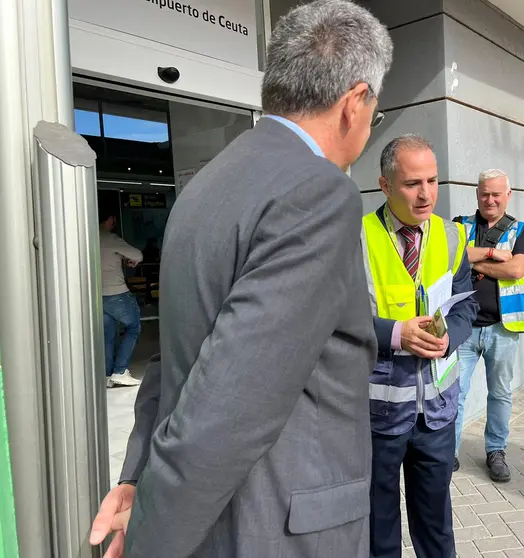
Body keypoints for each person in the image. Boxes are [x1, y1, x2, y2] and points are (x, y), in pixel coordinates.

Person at [90, 2, 393, 557]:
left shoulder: (205, 188)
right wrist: (150, 542)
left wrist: (140, 477)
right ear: (354, 103)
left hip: (217, 520)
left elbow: (174, 356)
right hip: (278, 528)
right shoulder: (319, 193)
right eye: (376, 108)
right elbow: (231, 402)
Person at [363, 134, 478, 558]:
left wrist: (452, 338)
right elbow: (335, 317)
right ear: (385, 185)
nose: (426, 193)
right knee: (379, 530)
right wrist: (394, 334)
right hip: (379, 414)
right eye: (413, 183)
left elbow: (466, 307)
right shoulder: (355, 238)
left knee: (436, 528)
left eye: (432, 180)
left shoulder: (452, 237)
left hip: (437, 413)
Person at [452, 169, 524, 480]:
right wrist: (489, 254)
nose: (490, 199)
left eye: (496, 194)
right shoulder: (460, 225)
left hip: (503, 327)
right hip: (463, 326)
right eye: (485, 193)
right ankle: (448, 452)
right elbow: (451, 256)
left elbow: (515, 269)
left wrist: (471, 262)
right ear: (477, 194)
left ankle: (496, 451)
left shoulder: (522, 230)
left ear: (507, 196)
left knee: (499, 393)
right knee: (455, 393)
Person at [99, 211, 143, 388]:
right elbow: (138, 255)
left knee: (108, 335)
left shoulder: (88, 237)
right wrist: (129, 258)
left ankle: (108, 375)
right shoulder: (111, 238)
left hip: (97, 295)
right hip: (116, 293)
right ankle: (120, 371)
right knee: (133, 327)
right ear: (110, 219)